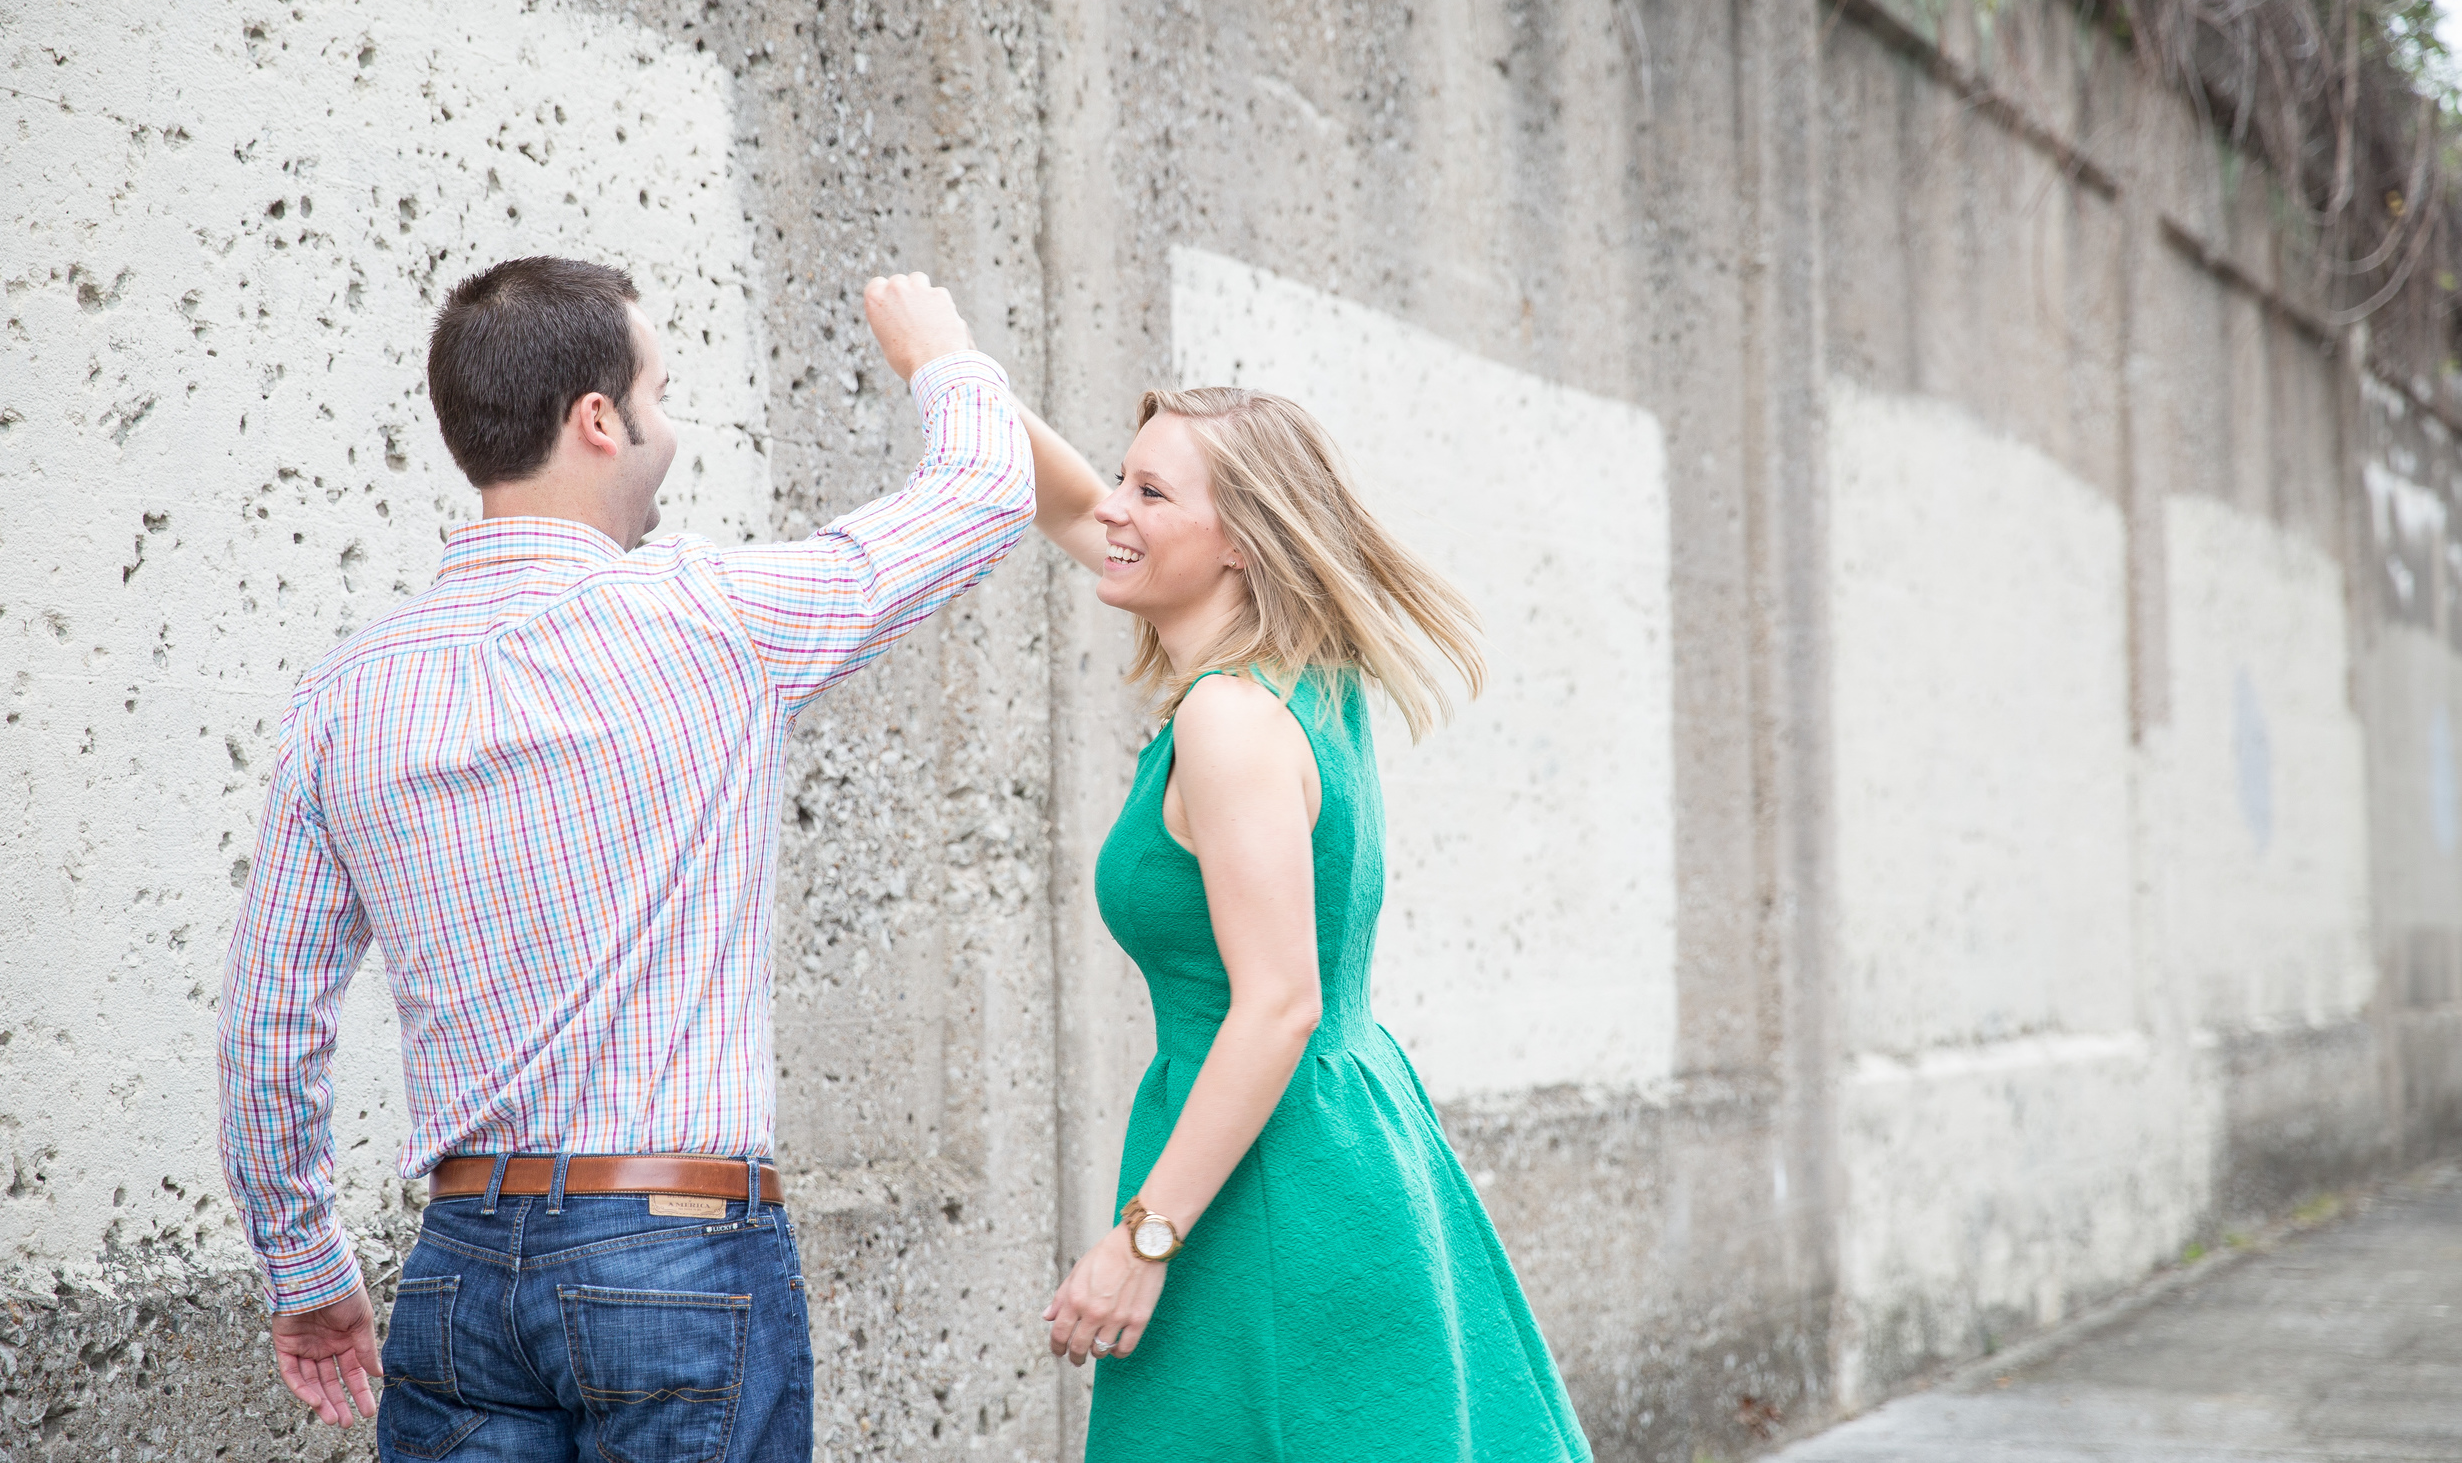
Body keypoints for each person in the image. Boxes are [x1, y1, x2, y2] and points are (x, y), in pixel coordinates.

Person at [215, 257, 1032, 1462]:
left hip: (454, 1272)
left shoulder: (349, 692)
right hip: (677, 1248)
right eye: (664, 389)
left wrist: (303, 1260)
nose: (674, 424)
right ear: (599, 418)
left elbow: (266, 1017)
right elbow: (980, 494)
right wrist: (940, 355)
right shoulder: (706, 616)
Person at [1018, 389, 1593, 1461]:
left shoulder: (1227, 720)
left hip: (1265, 1177)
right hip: (1327, 1135)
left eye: (1150, 490)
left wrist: (1143, 1239)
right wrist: (947, 368)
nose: (1114, 511)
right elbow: (1076, 512)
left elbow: (1278, 1003)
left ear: (1239, 539)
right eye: (1121, 480)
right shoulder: (1305, 684)